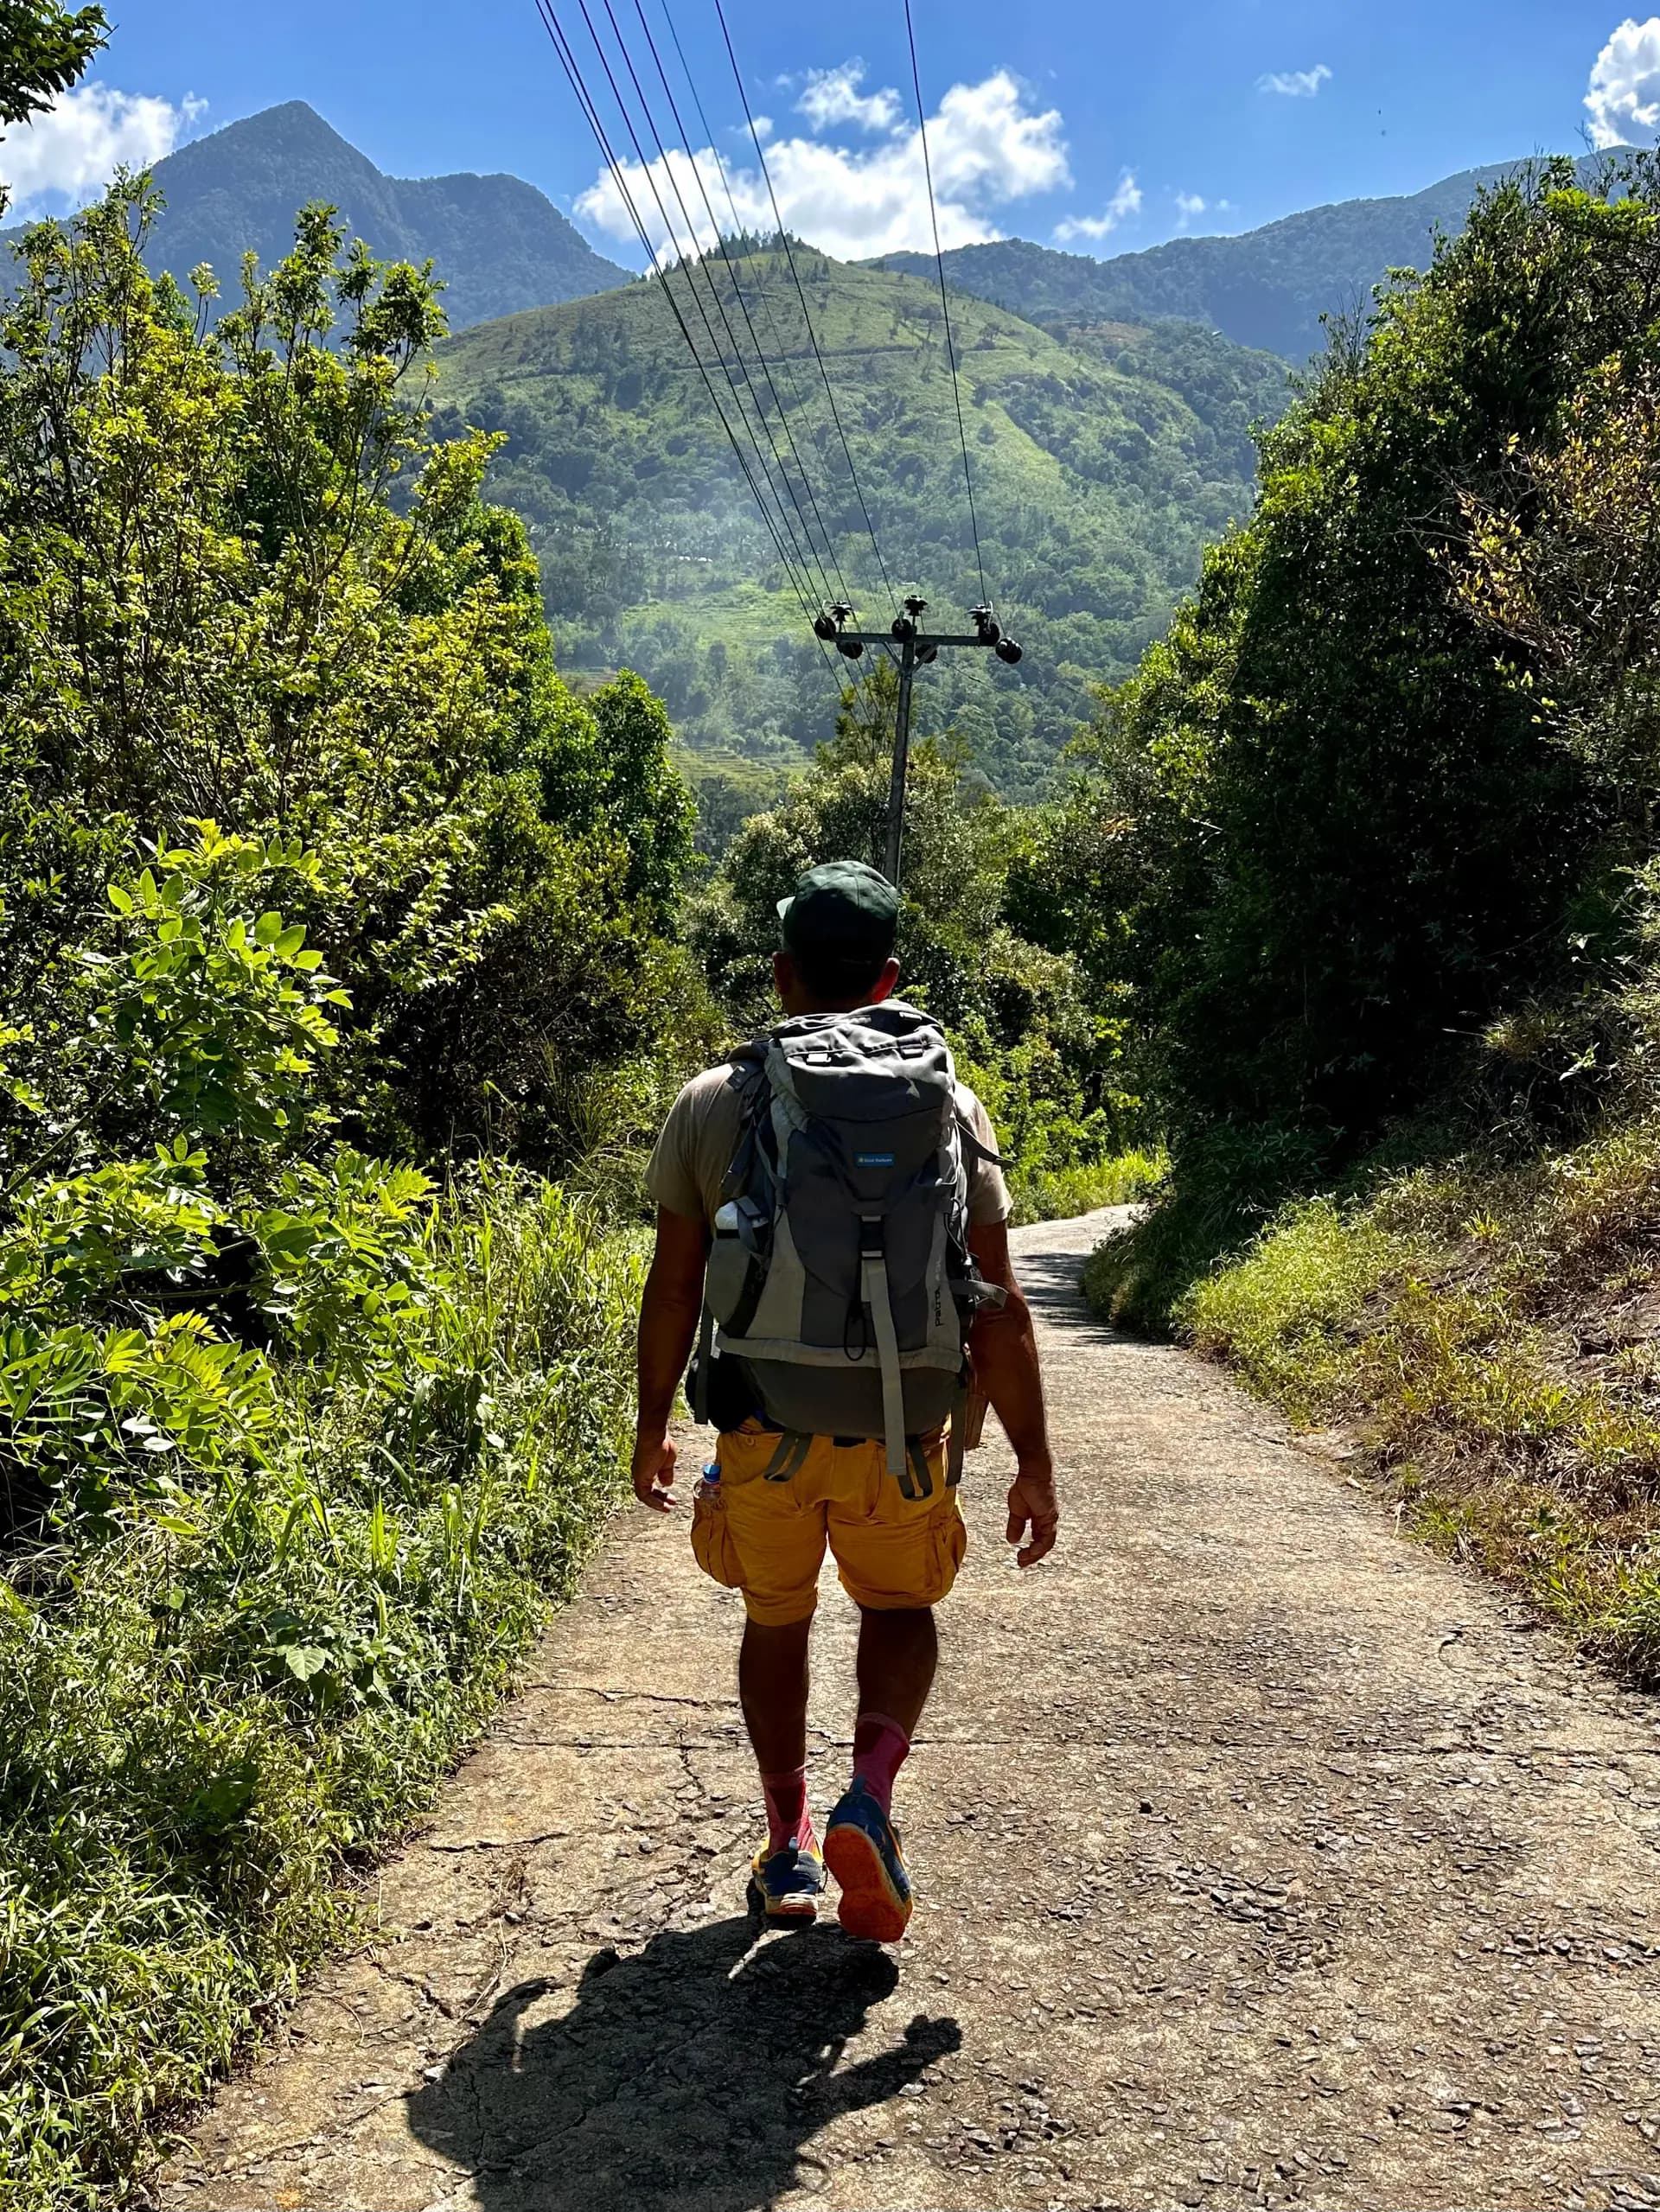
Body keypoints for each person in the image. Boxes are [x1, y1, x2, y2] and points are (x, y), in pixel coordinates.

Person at [632, 859, 1059, 1942]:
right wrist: (1034, 1463)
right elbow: (997, 1306)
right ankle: (867, 1797)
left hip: (763, 1423)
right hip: (904, 1436)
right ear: (890, 977)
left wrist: (651, 1432)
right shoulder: (950, 1105)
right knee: (900, 1611)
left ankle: (785, 1847)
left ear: (780, 976)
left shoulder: (714, 1103)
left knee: (776, 1619)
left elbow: (675, 1289)